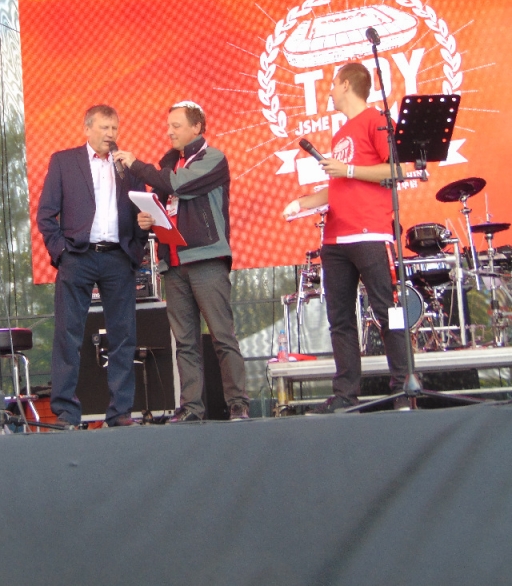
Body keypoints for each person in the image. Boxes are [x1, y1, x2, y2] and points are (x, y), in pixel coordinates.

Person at [281, 62, 410, 412]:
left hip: (370, 232)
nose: (330, 91)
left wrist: (349, 169)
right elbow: (340, 185)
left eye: (334, 84)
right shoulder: (340, 135)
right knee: (340, 319)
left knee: (387, 311)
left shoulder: (376, 120)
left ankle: (404, 388)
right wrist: (302, 202)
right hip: (336, 239)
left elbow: (398, 168)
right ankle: (345, 393)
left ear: (347, 85)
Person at [113, 101, 251, 422]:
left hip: (205, 258)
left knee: (222, 335)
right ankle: (191, 407)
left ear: (196, 128)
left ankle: (238, 403)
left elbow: (178, 186)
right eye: (168, 125)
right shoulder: (169, 165)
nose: (169, 131)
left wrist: (137, 165)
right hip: (172, 263)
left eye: (176, 125)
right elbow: (164, 204)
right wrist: (148, 220)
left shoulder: (213, 158)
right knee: (185, 342)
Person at [37, 104, 147, 428]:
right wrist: (61, 252)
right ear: (87, 129)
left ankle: (120, 412)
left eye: (114, 128)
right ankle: (66, 413)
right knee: (68, 334)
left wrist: (135, 249)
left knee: (123, 335)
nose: (110, 134)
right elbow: (46, 214)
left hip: (117, 257)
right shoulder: (64, 161)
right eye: (104, 128)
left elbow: (142, 211)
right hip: (78, 256)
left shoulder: (127, 165)